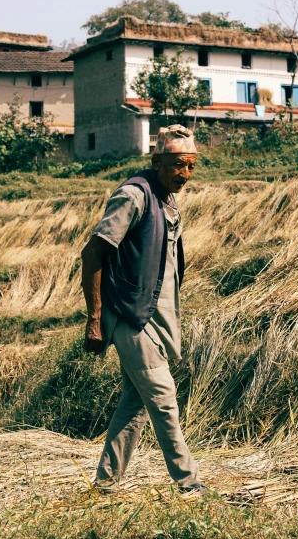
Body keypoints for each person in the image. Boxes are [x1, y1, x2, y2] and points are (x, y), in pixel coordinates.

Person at [80, 124, 205, 495]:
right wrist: (94, 318)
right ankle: (189, 483)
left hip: (152, 316)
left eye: (191, 167)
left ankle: (105, 485)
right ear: (157, 161)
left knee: (135, 405)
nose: (184, 174)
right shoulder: (134, 195)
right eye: (178, 165)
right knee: (164, 401)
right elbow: (93, 253)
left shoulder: (166, 199)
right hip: (130, 316)